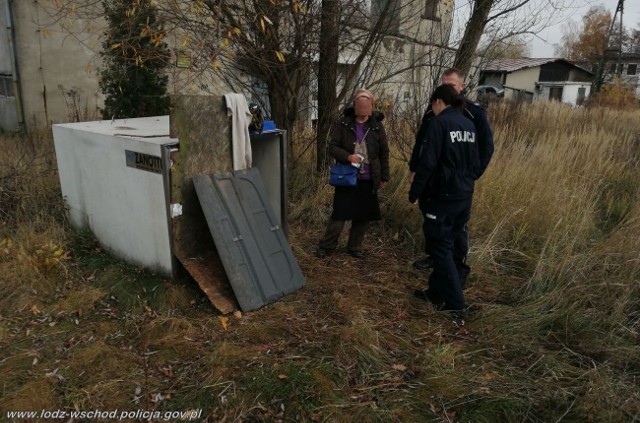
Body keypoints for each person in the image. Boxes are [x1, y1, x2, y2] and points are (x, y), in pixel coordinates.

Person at [409, 68, 494, 287]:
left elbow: (486, 146)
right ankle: (436, 259)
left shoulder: (473, 113)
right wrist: (413, 169)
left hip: (458, 184)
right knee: (433, 222)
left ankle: (458, 266)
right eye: (445, 84)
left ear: (462, 87)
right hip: (434, 183)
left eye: (452, 85)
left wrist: (473, 173)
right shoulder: (433, 111)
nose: (448, 88)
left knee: (457, 228)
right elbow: (422, 144)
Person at [408, 84, 481, 320]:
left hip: (443, 197)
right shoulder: (468, 124)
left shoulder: (439, 123)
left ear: (438, 101)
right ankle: (436, 293)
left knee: (440, 249)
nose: (432, 109)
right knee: (447, 245)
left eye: (432, 104)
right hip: (463, 196)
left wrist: (415, 192)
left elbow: (427, 162)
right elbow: (476, 160)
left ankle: (457, 306)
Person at [316, 88, 390, 259]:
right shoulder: (344, 124)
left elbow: (384, 153)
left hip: (369, 177)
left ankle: (355, 247)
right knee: (340, 213)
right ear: (355, 107)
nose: (363, 114)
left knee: (363, 215)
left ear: (371, 107)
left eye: (366, 109)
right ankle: (327, 246)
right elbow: (332, 147)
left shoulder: (377, 127)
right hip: (347, 176)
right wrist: (348, 156)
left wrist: (383, 177)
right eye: (360, 109)